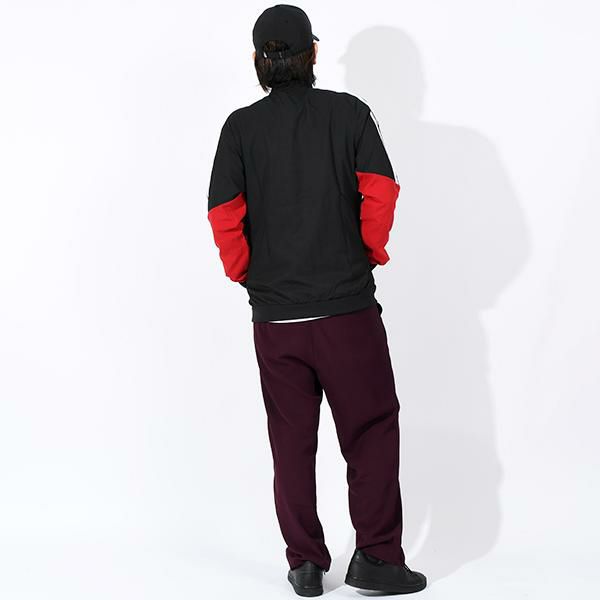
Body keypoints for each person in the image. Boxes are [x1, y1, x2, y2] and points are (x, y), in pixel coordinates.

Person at [207, 4, 427, 596]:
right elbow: (380, 192)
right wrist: (366, 254)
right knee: (371, 429)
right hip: (347, 314)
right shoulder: (349, 114)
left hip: (276, 321)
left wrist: (250, 275)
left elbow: (224, 215)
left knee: (290, 440)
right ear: (313, 54)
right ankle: (377, 557)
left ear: (259, 61)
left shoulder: (239, 128)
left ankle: (304, 563)